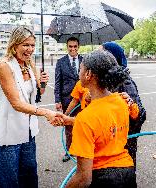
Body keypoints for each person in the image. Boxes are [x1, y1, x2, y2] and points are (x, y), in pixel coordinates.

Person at [52, 50, 136, 187]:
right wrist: (70, 120)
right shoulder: (122, 102)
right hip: (128, 172)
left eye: (80, 69)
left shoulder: (85, 118)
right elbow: (102, 124)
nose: (78, 72)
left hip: (103, 179)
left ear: (88, 74)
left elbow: (83, 179)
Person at [0, 26, 56, 188]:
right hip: (8, 134)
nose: (30, 49)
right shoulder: (4, 66)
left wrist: (42, 83)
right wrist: (45, 112)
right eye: (25, 45)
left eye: (33, 45)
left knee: (29, 176)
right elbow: (17, 103)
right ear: (14, 44)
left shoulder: (29, 64)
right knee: (10, 181)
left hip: (28, 132)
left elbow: (36, 95)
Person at [101, 42, 146, 169]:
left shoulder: (125, 82)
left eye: (102, 53)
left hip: (124, 142)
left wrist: (131, 107)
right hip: (115, 141)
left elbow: (140, 115)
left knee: (125, 173)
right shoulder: (110, 80)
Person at [54, 36, 83, 162]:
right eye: (70, 46)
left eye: (75, 46)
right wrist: (57, 100)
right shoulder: (61, 62)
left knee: (84, 125)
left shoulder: (85, 60)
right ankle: (69, 151)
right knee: (69, 127)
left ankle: (82, 150)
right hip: (67, 99)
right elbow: (57, 82)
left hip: (84, 99)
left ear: (78, 47)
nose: (73, 49)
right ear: (67, 47)